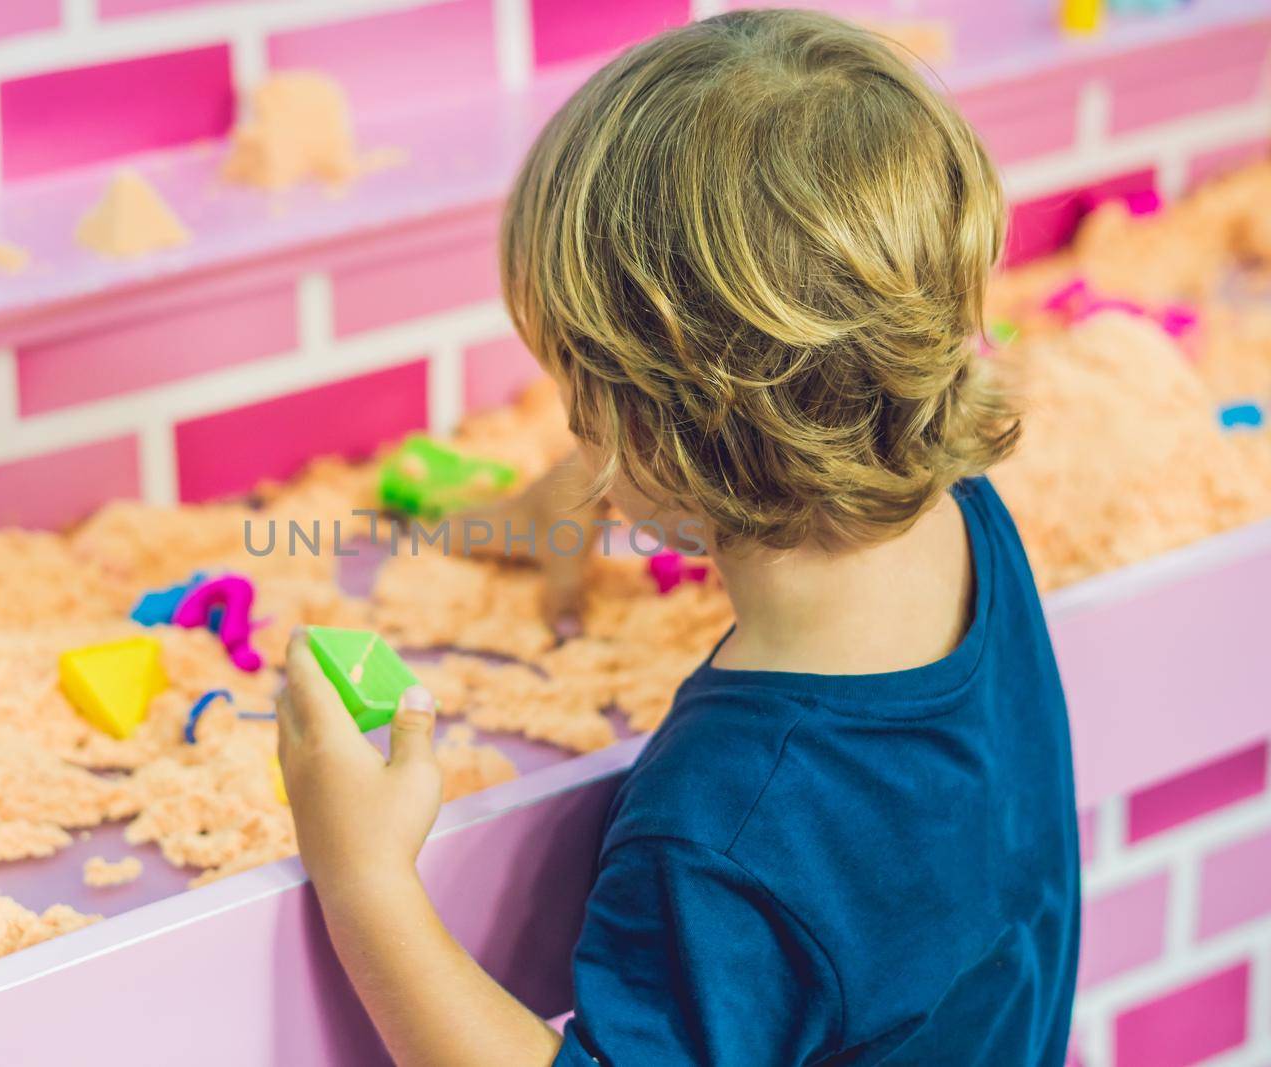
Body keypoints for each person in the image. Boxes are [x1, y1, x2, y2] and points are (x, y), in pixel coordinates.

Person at [275, 9, 1080, 1064]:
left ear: (659, 431)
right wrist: (592, 482)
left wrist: (365, 881)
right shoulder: (964, 517)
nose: (571, 423)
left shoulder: (730, 818)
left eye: (577, 394)